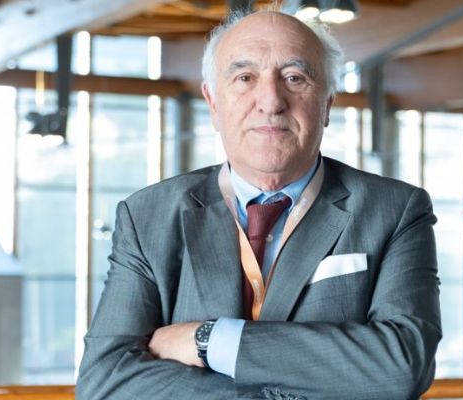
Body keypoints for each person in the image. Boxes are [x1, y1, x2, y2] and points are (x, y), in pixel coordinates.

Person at [76, 9, 441, 400]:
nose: (271, 101)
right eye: (245, 78)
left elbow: (402, 366)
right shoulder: (147, 215)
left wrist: (209, 340)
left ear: (327, 104)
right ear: (213, 102)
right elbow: (105, 382)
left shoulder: (396, 210)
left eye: (294, 78)